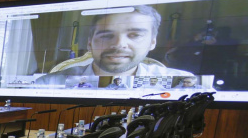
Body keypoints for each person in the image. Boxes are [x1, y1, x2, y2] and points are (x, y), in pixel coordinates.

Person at [37, 6, 194, 84]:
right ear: (90, 43)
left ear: (152, 42)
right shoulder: (48, 83)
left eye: (135, 35)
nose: (119, 44)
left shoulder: (180, 82)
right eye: (106, 35)